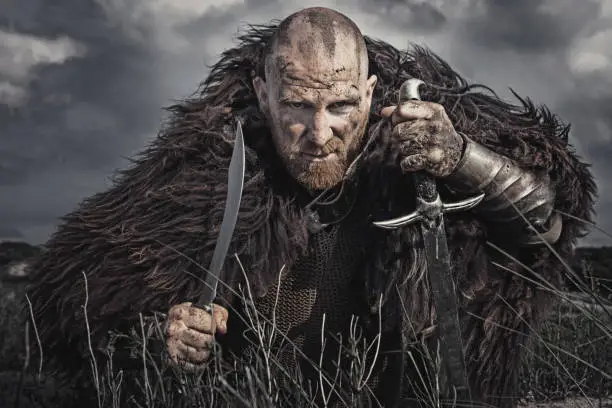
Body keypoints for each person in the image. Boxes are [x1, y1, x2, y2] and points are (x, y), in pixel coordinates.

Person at [26, 6, 596, 408]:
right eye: (298, 105)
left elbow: (544, 230)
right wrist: (160, 336)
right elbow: (76, 304)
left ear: (371, 93)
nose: (319, 133)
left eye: (342, 106)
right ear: (262, 90)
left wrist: (461, 159)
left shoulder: (424, 149)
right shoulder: (206, 177)